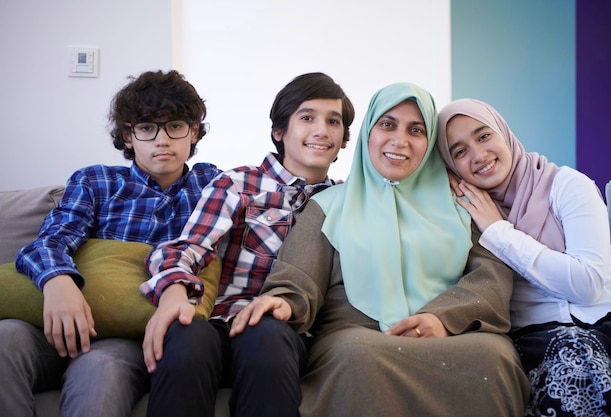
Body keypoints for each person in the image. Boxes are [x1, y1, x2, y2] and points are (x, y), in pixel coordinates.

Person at [230, 82, 530, 417]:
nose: (399, 140)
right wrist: (284, 300)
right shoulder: (328, 206)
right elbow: (299, 276)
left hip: (451, 334)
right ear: (367, 134)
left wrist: (441, 319)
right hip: (358, 335)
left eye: (416, 130)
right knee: (356, 355)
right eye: (387, 125)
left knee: (493, 356)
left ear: (430, 142)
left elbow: (491, 274)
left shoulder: (462, 202)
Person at [0, 69, 222, 417]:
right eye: (147, 128)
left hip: (125, 338)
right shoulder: (96, 180)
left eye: (175, 126)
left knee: (99, 367)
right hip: (55, 323)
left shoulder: (213, 185)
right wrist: (59, 283)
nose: (162, 140)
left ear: (193, 132)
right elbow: (51, 240)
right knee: (4, 337)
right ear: (128, 136)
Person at [141, 72, 355, 417]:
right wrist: (172, 295)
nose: (322, 130)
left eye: (334, 122)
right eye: (307, 117)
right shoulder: (240, 183)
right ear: (279, 131)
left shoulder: (347, 201)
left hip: (285, 334)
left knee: (266, 335)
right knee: (185, 338)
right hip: (219, 321)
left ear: (344, 139)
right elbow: (186, 249)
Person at [436, 98, 611, 416]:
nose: (479, 155)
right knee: (570, 362)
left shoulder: (566, 185)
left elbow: (588, 284)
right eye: (459, 151)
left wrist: (498, 231)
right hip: (542, 339)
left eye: (484, 136)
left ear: (504, 133)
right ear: (450, 166)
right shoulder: (462, 215)